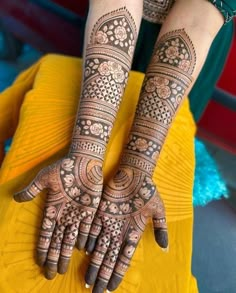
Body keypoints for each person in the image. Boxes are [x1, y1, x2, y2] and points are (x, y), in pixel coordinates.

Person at [0, 1, 235, 293]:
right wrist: (87, 153)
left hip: (194, 42)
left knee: (171, 142)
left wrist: (137, 167)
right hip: (111, 26)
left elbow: (198, 17)